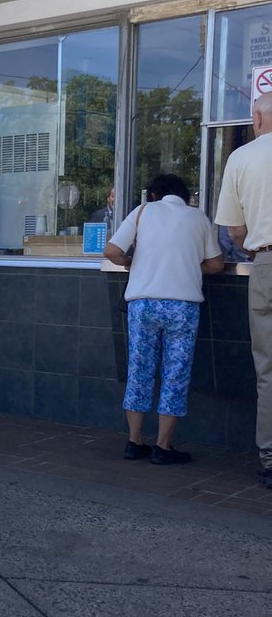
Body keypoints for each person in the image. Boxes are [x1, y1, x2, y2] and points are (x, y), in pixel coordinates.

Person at [105, 173, 223, 466]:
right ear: (185, 196)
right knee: (175, 374)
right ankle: (163, 446)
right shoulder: (199, 218)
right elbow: (216, 264)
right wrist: (189, 267)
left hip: (142, 305)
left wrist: (132, 262)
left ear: (154, 195)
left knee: (139, 370)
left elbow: (111, 251)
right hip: (182, 306)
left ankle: (134, 442)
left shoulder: (143, 211)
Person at [214, 90, 272, 486]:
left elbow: (234, 230)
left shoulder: (241, 158)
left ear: (256, 117)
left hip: (265, 264)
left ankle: (269, 457)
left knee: (268, 368)